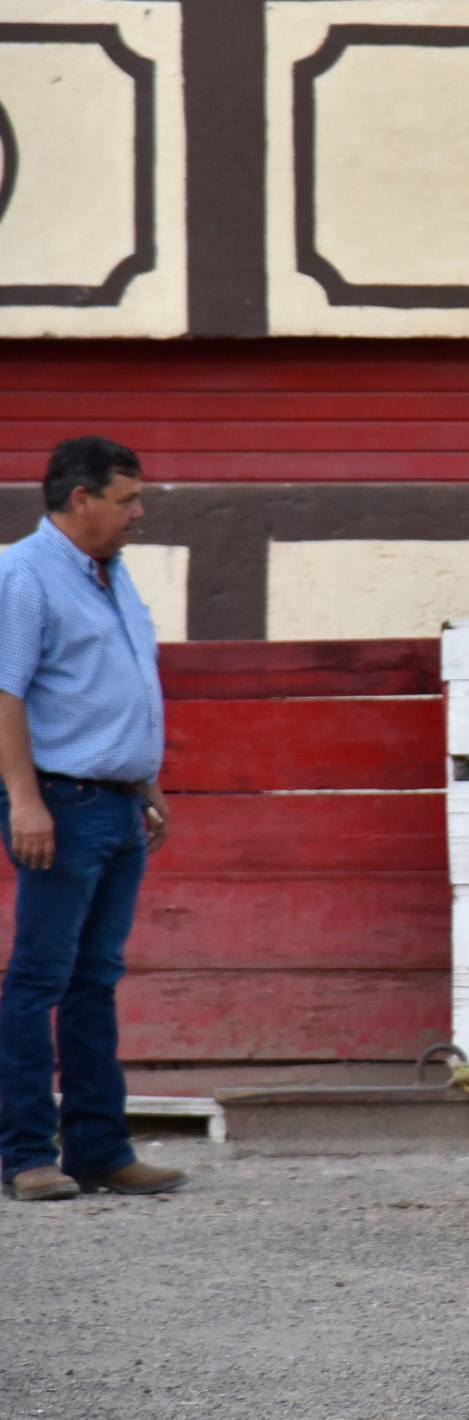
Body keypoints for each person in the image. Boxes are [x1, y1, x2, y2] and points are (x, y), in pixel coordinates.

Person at [1, 437, 184, 1201]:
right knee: (41, 976)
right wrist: (25, 798)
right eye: (126, 498)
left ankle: (100, 1147)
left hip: (113, 799)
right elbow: (4, 694)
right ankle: (24, 1154)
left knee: (94, 979)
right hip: (62, 802)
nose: (138, 512)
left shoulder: (112, 572)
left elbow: (119, 681)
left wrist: (144, 779)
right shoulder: (22, 573)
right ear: (80, 499)